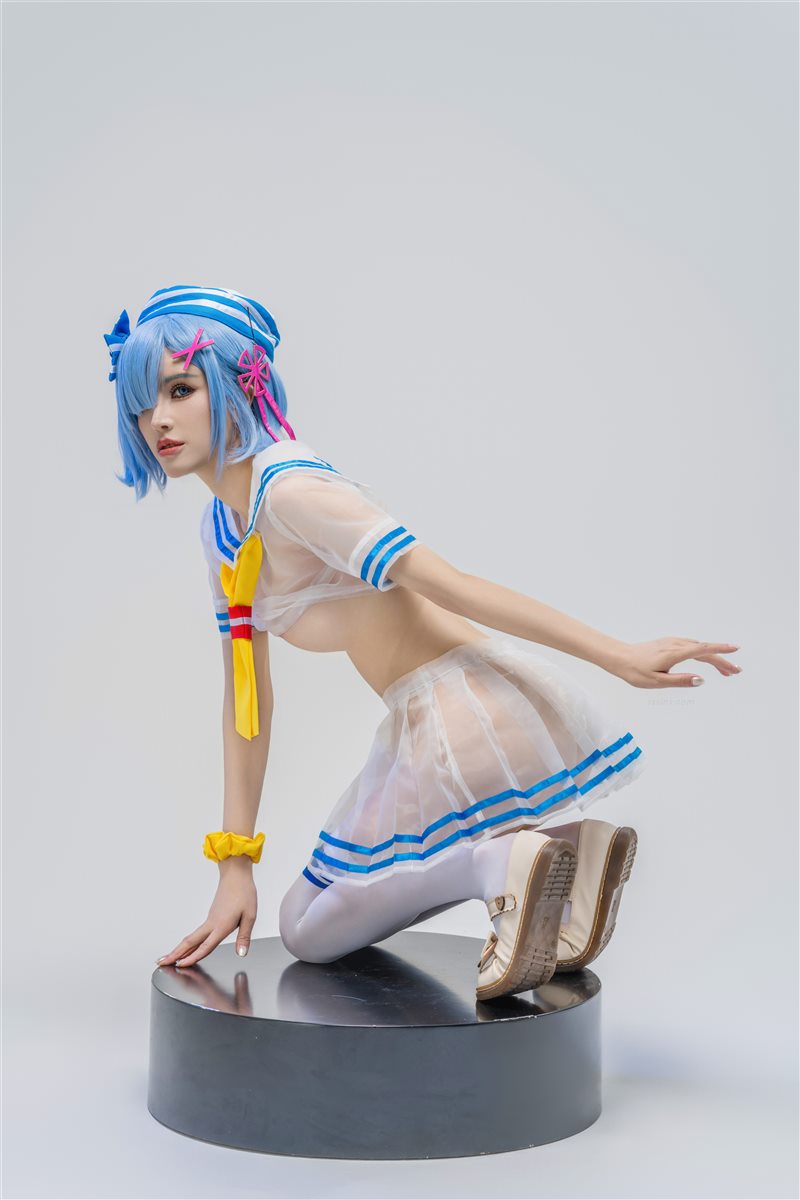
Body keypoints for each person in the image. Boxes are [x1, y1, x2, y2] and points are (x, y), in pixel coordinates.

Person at [104, 284, 742, 1001]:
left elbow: (454, 585)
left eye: (181, 389)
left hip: (467, 710)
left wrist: (617, 655)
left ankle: (496, 865)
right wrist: (234, 863)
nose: (158, 420)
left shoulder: (291, 492)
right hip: (437, 715)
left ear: (236, 385)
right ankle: (568, 854)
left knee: (307, 931)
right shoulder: (223, 531)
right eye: (142, 403)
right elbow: (247, 704)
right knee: (303, 921)